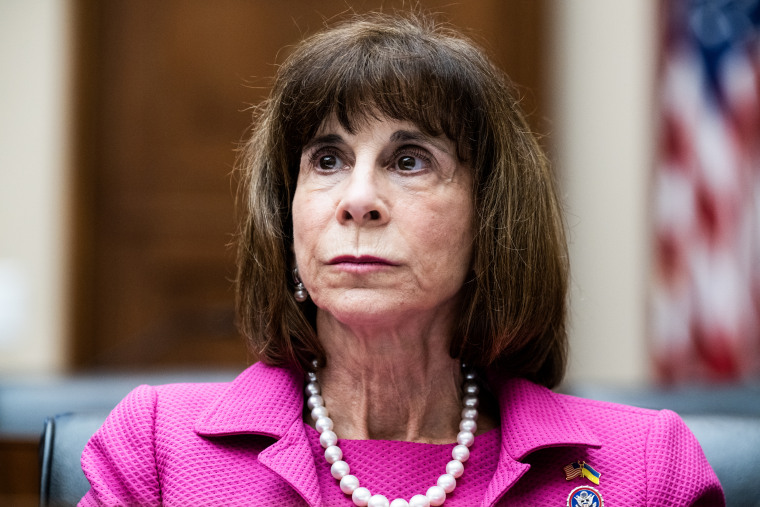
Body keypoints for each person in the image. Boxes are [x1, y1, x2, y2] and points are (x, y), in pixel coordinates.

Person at [78, 12, 724, 507]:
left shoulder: (645, 467)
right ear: (288, 209)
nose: (358, 200)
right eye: (326, 160)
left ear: (492, 217)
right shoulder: (162, 447)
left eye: (409, 160)